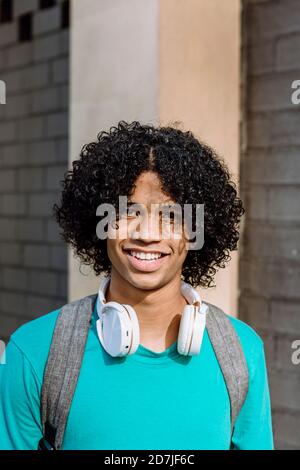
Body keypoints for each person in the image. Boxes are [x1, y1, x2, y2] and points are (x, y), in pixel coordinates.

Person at [0, 121, 274, 450]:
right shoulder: (34, 352)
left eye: (171, 215)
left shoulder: (242, 352)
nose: (147, 233)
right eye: (127, 211)